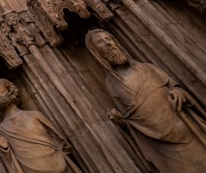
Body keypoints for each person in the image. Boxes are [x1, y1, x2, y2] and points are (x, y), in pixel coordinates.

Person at [85, 28, 206, 172]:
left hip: (185, 128)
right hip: (162, 145)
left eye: (109, 39)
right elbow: (131, 120)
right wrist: (121, 122)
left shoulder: (147, 68)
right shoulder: (112, 84)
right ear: (95, 51)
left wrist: (179, 91)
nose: (108, 43)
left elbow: (173, 86)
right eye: (101, 42)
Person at [0, 78, 80, 173]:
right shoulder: (1, 130)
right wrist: (5, 150)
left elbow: (61, 143)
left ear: (9, 90)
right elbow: (12, 163)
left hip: (57, 162)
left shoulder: (35, 115)